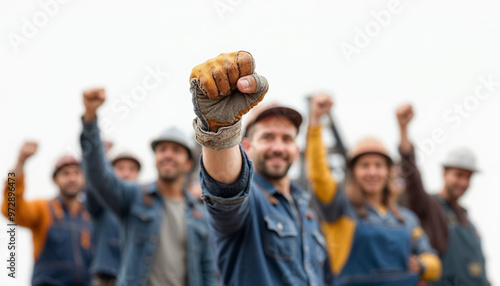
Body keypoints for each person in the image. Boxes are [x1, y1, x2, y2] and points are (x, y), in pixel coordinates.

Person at [190, 51, 331, 285]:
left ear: (296, 150)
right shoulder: (249, 201)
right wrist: (221, 129)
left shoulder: (307, 211)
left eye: (287, 138)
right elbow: (226, 189)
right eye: (267, 137)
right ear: (247, 147)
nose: (278, 147)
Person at [80, 89, 218, 286]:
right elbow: (98, 177)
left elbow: (208, 271)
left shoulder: (199, 215)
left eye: (176, 150)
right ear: (155, 158)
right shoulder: (135, 197)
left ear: (188, 164)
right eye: (162, 149)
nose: (168, 155)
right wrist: (90, 120)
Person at [306, 94, 441, 285]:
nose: (372, 172)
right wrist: (315, 120)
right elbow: (318, 176)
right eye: (364, 165)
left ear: (388, 171)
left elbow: (433, 261)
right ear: (353, 172)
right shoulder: (340, 211)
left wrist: (423, 264)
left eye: (378, 165)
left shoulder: (406, 219)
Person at [397, 104, 490, 286]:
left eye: (468, 177)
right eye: (458, 175)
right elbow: (412, 180)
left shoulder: (467, 220)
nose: (463, 182)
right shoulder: (430, 208)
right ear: (444, 173)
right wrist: (403, 129)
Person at [1, 141, 92, 286]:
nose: (72, 178)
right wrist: (20, 161)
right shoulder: (43, 209)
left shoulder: (90, 217)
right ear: (55, 180)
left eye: (77, 173)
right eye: (66, 173)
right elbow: (11, 209)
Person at [85, 150, 141, 286]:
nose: (126, 173)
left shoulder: (145, 207)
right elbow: (94, 183)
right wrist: (99, 157)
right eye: (120, 168)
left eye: (131, 169)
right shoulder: (101, 204)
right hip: (105, 278)